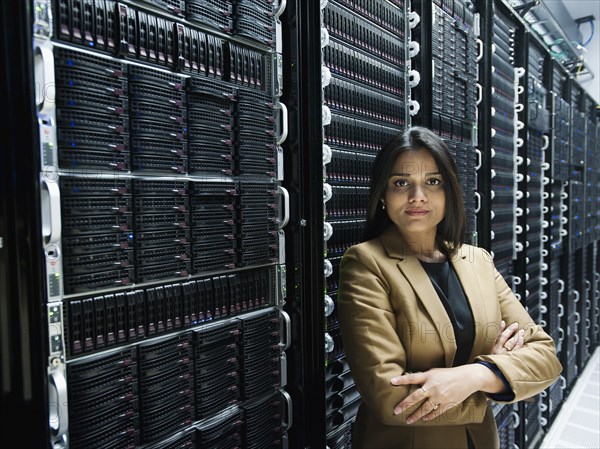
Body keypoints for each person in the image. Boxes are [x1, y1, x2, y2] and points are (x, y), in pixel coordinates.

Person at [337, 127, 562, 449]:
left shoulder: (477, 261)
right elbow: (391, 398)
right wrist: (500, 378)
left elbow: (545, 356)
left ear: (449, 193)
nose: (418, 196)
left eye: (433, 182)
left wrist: (477, 376)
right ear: (383, 195)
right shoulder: (366, 263)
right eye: (401, 183)